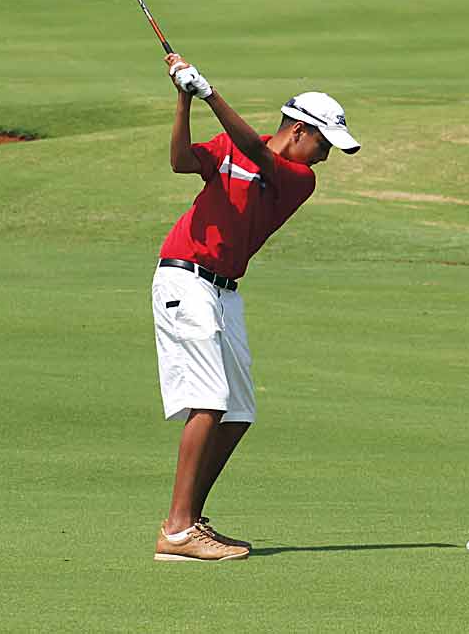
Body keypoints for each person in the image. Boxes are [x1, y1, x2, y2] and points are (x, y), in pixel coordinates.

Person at [150, 50, 359, 563]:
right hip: (186, 276)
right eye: (324, 144)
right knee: (210, 398)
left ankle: (190, 521)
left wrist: (209, 92)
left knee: (237, 411)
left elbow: (255, 151)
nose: (326, 157)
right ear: (298, 130)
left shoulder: (297, 179)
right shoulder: (230, 148)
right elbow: (181, 161)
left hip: (225, 291)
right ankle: (177, 532)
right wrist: (185, 98)